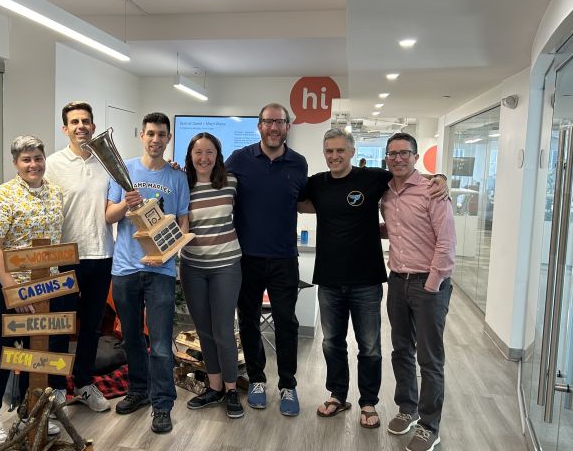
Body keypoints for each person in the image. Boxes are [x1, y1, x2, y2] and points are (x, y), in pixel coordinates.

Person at [299, 129, 448, 429]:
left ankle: (368, 401)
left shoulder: (374, 178)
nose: (335, 156)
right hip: (329, 279)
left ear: (352, 151)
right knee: (332, 343)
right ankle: (337, 395)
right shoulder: (316, 183)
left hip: (366, 280)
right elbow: (294, 201)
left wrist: (440, 178)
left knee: (369, 346)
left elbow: (410, 175)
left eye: (341, 150)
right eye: (329, 151)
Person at [0, 101, 113, 413]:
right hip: (59, 261)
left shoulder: (106, 163)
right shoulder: (51, 164)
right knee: (50, 332)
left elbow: (112, 203)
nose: (81, 126)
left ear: (93, 126)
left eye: (86, 121)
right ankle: (51, 391)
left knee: (88, 328)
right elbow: (15, 193)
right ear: (65, 129)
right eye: (74, 121)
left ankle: (81, 383)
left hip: (99, 253)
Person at [106, 112, 190, 434]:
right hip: (125, 269)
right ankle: (138, 391)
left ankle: (162, 404)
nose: (156, 140)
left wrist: (167, 254)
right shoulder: (122, 169)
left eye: (161, 135)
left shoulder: (177, 177)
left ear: (168, 139)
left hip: (162, 272)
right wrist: (126, 205)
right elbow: (108, 217)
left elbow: (183, 223)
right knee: (131, 338)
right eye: (151, 133)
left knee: (161, 343)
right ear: (142, 135)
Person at [0, 135, 64, 445]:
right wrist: (15, 290)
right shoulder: (1, 195)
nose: (33, 164)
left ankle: (29, 413)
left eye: (38, 157)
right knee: (4, 352)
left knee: (34, 352)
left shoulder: (55, 194)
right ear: (15, 163)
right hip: (5, 287)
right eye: (26, 159)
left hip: (44, 287)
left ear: (44, 160)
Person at [225, 103, 308, 416]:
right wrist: (183, 171)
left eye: (280, 122)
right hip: (246, 258)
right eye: (268, 122)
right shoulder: (239, 159)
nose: (274, 127)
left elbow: (306, 201)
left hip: (285, 258)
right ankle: (257, 380)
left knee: (287, 322)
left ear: (287, 126)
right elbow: (211, 182)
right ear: (259, 126)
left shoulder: (298, 163)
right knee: (248, 321)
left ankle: (288, 384)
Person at [381, 133, 456, 451]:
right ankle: (407, 409)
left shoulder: (433, 190)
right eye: (392, 154)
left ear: (414, 157)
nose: (398, 158)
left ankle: (429, 425)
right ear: (386, 157)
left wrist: (433, 283)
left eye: (404, 153)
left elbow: (447, 242)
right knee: (400, 351)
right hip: (397, 280)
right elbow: (396, 229)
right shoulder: (386, 194)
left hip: (429, 284)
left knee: (429, 358)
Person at [179, 132, 244, 419]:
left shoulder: (231, 182)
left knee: (223, 331)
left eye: (209, 152)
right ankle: (214, 387)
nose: (204, 158)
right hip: (192, 267)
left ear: (218, 155)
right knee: (203, 330)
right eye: (198, 153)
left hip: (226, 265)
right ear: (190, 156)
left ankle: (231, 390)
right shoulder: (182, 184)